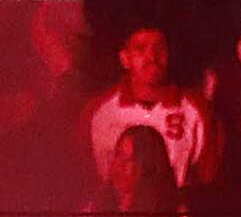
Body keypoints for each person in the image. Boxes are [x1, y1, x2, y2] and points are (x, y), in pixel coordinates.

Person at [84, 25, 217, 196]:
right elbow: (86, 179)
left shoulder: (197, 110)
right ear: (125, 58)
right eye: (140, 48)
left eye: (159, 48)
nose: (152, 56)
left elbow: (207, 180)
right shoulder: (98, 112)